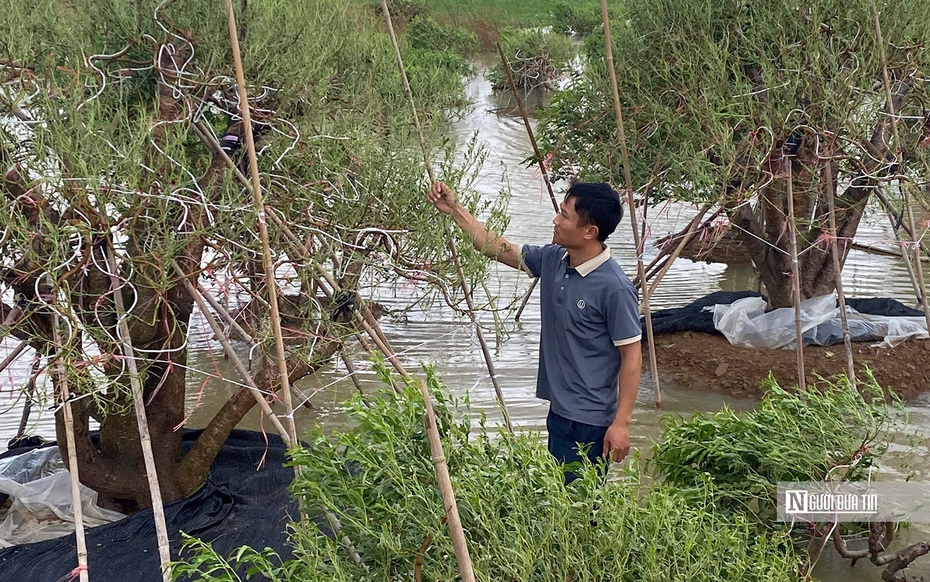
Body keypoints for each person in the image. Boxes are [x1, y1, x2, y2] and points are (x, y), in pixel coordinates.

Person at [427, 180, 642, 481]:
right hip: (560, 410)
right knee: (558, 501)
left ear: (589, 231)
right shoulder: (554, 259)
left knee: (579, 507)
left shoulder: (615, 288)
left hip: (590, 421)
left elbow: (632, 356)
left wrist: (621, 424)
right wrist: (455, 210)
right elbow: (496, 247)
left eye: (565, 215)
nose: (556, 220)